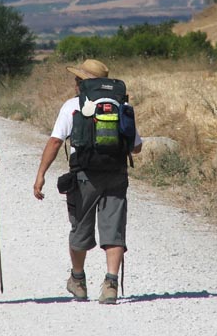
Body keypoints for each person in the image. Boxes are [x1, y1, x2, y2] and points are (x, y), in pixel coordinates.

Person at [33, 59, 143, 304]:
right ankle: (111, 284)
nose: (74, 83)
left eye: (77, 79)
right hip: (116, 173)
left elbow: (55, 141)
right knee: (113, 229)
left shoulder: (73, 106)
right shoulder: (120, 105)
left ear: (82, 82)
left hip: (84, 175)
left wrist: (41, 174)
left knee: (80, 228)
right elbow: (136, 147)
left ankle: (79, 281)